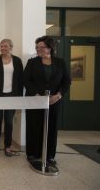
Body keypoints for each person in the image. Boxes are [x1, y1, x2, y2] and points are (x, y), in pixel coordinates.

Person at [24, 36, 71, 166]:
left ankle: (50, 155)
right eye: (37, 47)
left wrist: (59, 95)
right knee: (34, 126)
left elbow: (66, 81)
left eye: (41, 47)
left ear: (49, 48)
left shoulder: (60, 62)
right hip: (35, 100)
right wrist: (37, 94)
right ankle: (33, 153)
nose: (38, 49)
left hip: (54, 101)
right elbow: (26, 80)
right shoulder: (32, 62)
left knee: (52, 127)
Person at [0, 39, 23, 156]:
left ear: (11, 47)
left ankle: (8, 146)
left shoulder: (17, 61)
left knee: (9, 122)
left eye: (5, 46)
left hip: (12, 96)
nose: (3, 48)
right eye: (1, 46)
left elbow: (20, 80)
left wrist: (19, 98)